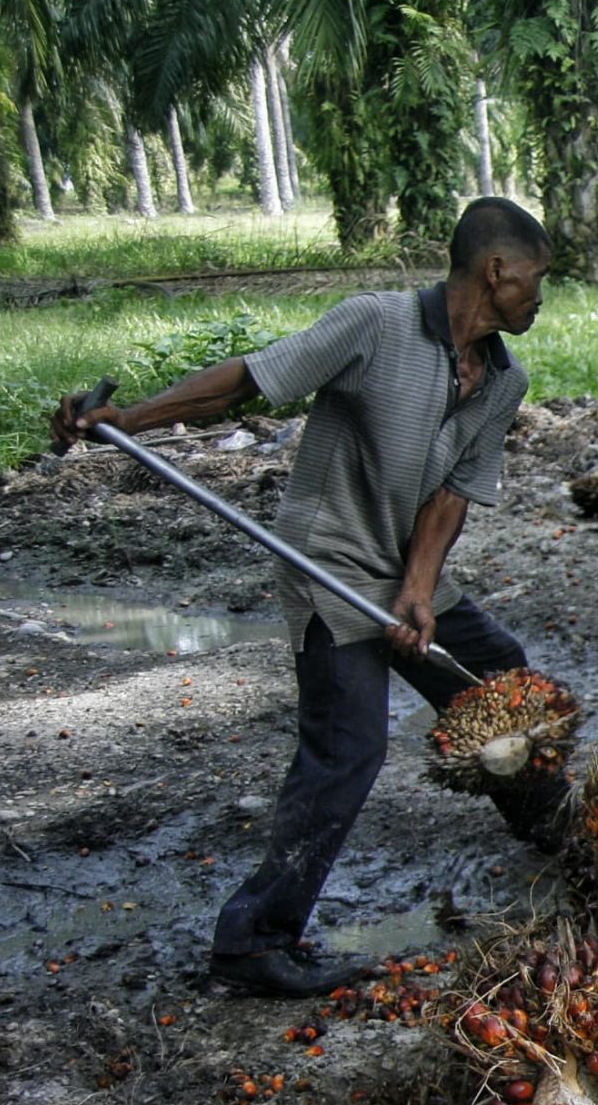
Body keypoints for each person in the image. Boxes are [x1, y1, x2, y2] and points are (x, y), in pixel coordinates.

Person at [52, 197, 566, 997]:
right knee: (348, 749)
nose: (541, 296)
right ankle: (254, 939)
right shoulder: (375, 325)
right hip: (327, 563)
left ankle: (549, 824)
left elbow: (455, 492)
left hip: (404, 569)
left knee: (502, 678)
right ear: (496, 271)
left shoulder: (503, 377)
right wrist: (138, 417)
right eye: (535, 279)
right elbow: (249, 382)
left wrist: (420, 590)